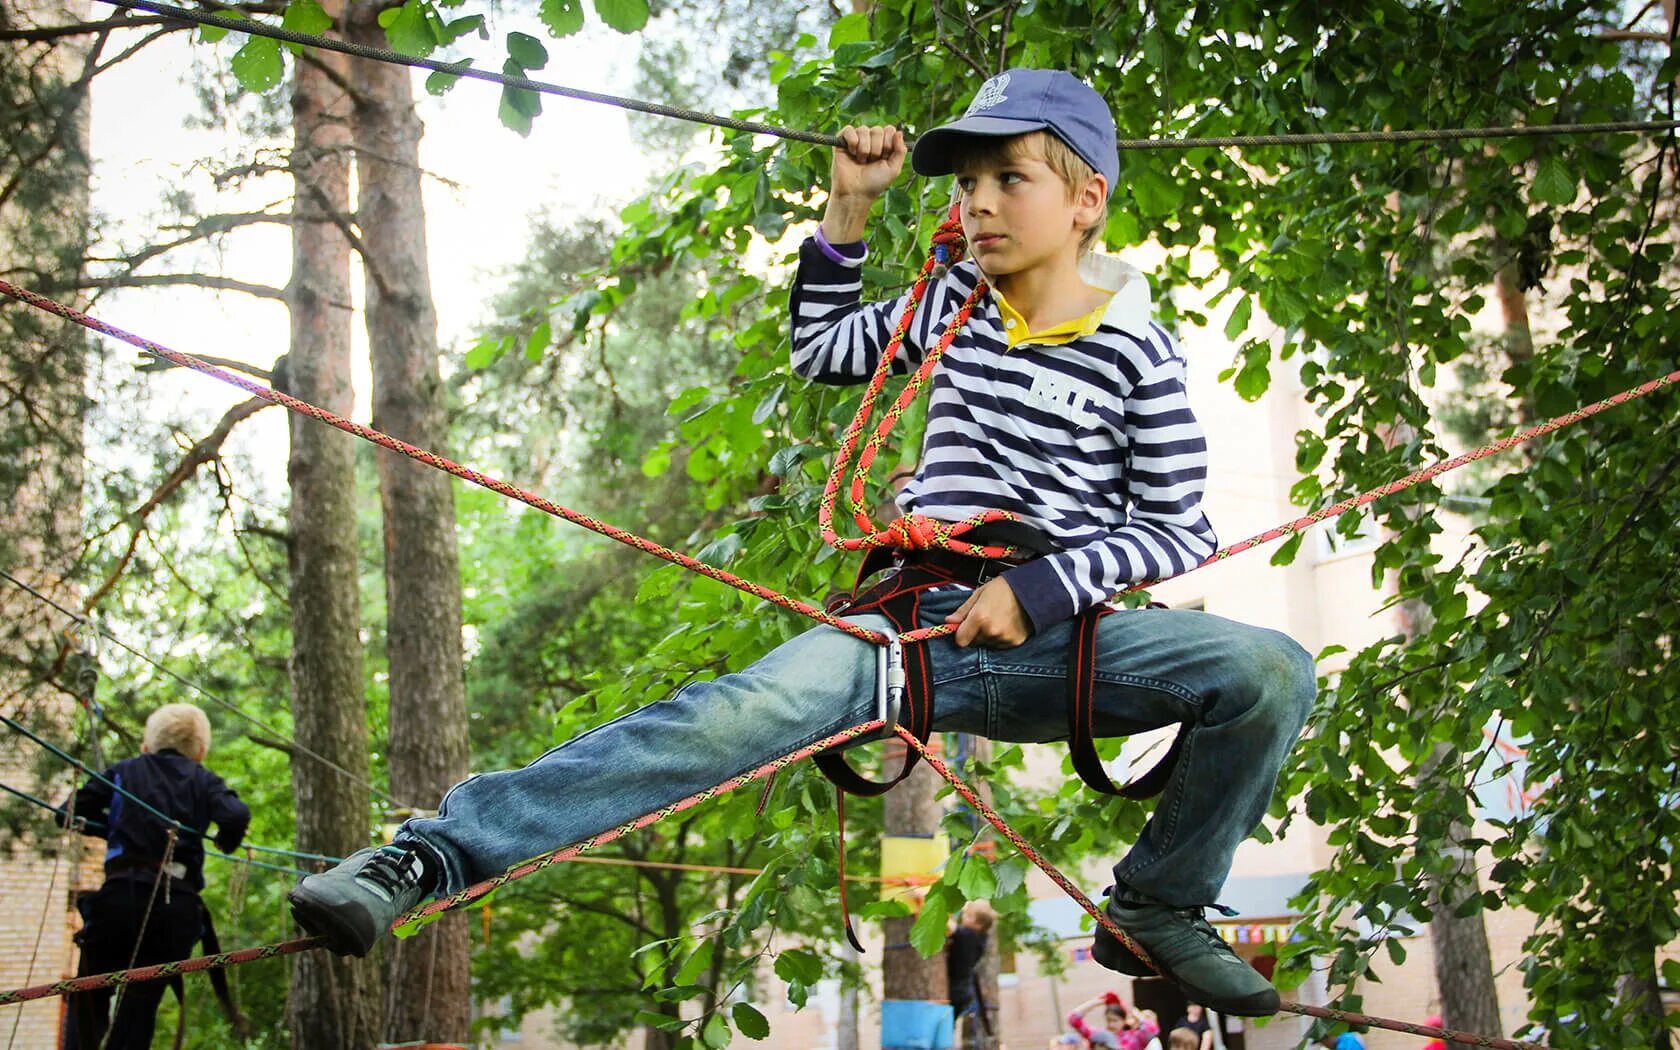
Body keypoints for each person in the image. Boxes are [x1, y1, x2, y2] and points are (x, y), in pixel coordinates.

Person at [287, 66, 1315, 1018]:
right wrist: (850, 206)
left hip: (1064, 647)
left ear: (1087, 199)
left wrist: (1044, 590)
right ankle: (422, 859)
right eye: (967, 184)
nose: (980, 203)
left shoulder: (1138, 346)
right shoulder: (951, 303)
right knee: (719, 721)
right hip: (911, 632)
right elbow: (824, 350)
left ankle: (1160, 905)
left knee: (1268, 671)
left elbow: (1178, 523)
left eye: (1011, 177)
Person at [61, 703, 250, 1050]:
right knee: (140, 1004)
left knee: (89, 995)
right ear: (201, 752)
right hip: (174, 907)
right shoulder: (203, 779)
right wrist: (227, 839)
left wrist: (116, 830)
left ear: (146, 746)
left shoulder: (124, 772)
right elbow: (236, 814)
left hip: (119, 897)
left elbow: (69, 813)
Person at [946, 898, 995, 1040]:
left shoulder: (968, 936)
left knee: (943, 1025)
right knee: (946, 1025)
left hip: (955, 990)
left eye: (968, 916)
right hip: (960, 989)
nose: (963, 918)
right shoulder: (978, 938)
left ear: (979, 925)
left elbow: (948, 926)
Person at [1067, 993, 1160, 1050]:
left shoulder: (1134, 1037)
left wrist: (1130, 1010)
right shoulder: (1099, 1036)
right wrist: (1095, 1002)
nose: (1111, 1024)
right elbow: (1073, 1019)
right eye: (1108, 1020)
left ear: (1124, 1020)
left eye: (1115, 1020)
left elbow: (1153, 1030)